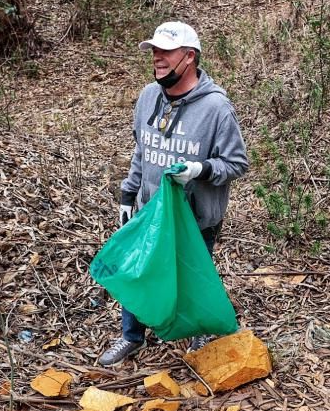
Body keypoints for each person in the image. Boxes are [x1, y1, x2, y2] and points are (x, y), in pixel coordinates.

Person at [99, 21, 249, 366]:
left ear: (189, 56)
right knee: (139, 270)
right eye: (154, 51)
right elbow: (142, 149)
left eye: (166, 51)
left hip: (194, 217)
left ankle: (197, 334)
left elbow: (237, 163)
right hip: (149, 209)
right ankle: (131, 337)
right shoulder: (149, 96)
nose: (157, 58)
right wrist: (128, 195)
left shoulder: (215, 108)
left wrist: (201, 170)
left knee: (190, 277)